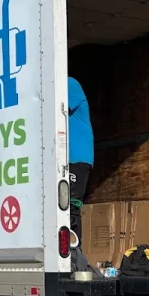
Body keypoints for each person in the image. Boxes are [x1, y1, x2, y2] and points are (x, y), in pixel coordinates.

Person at [67, 76, 94, 247]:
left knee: (71, 207)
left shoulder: (69, 84)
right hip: (68, 158)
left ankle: (75, 257)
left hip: (78, 157)